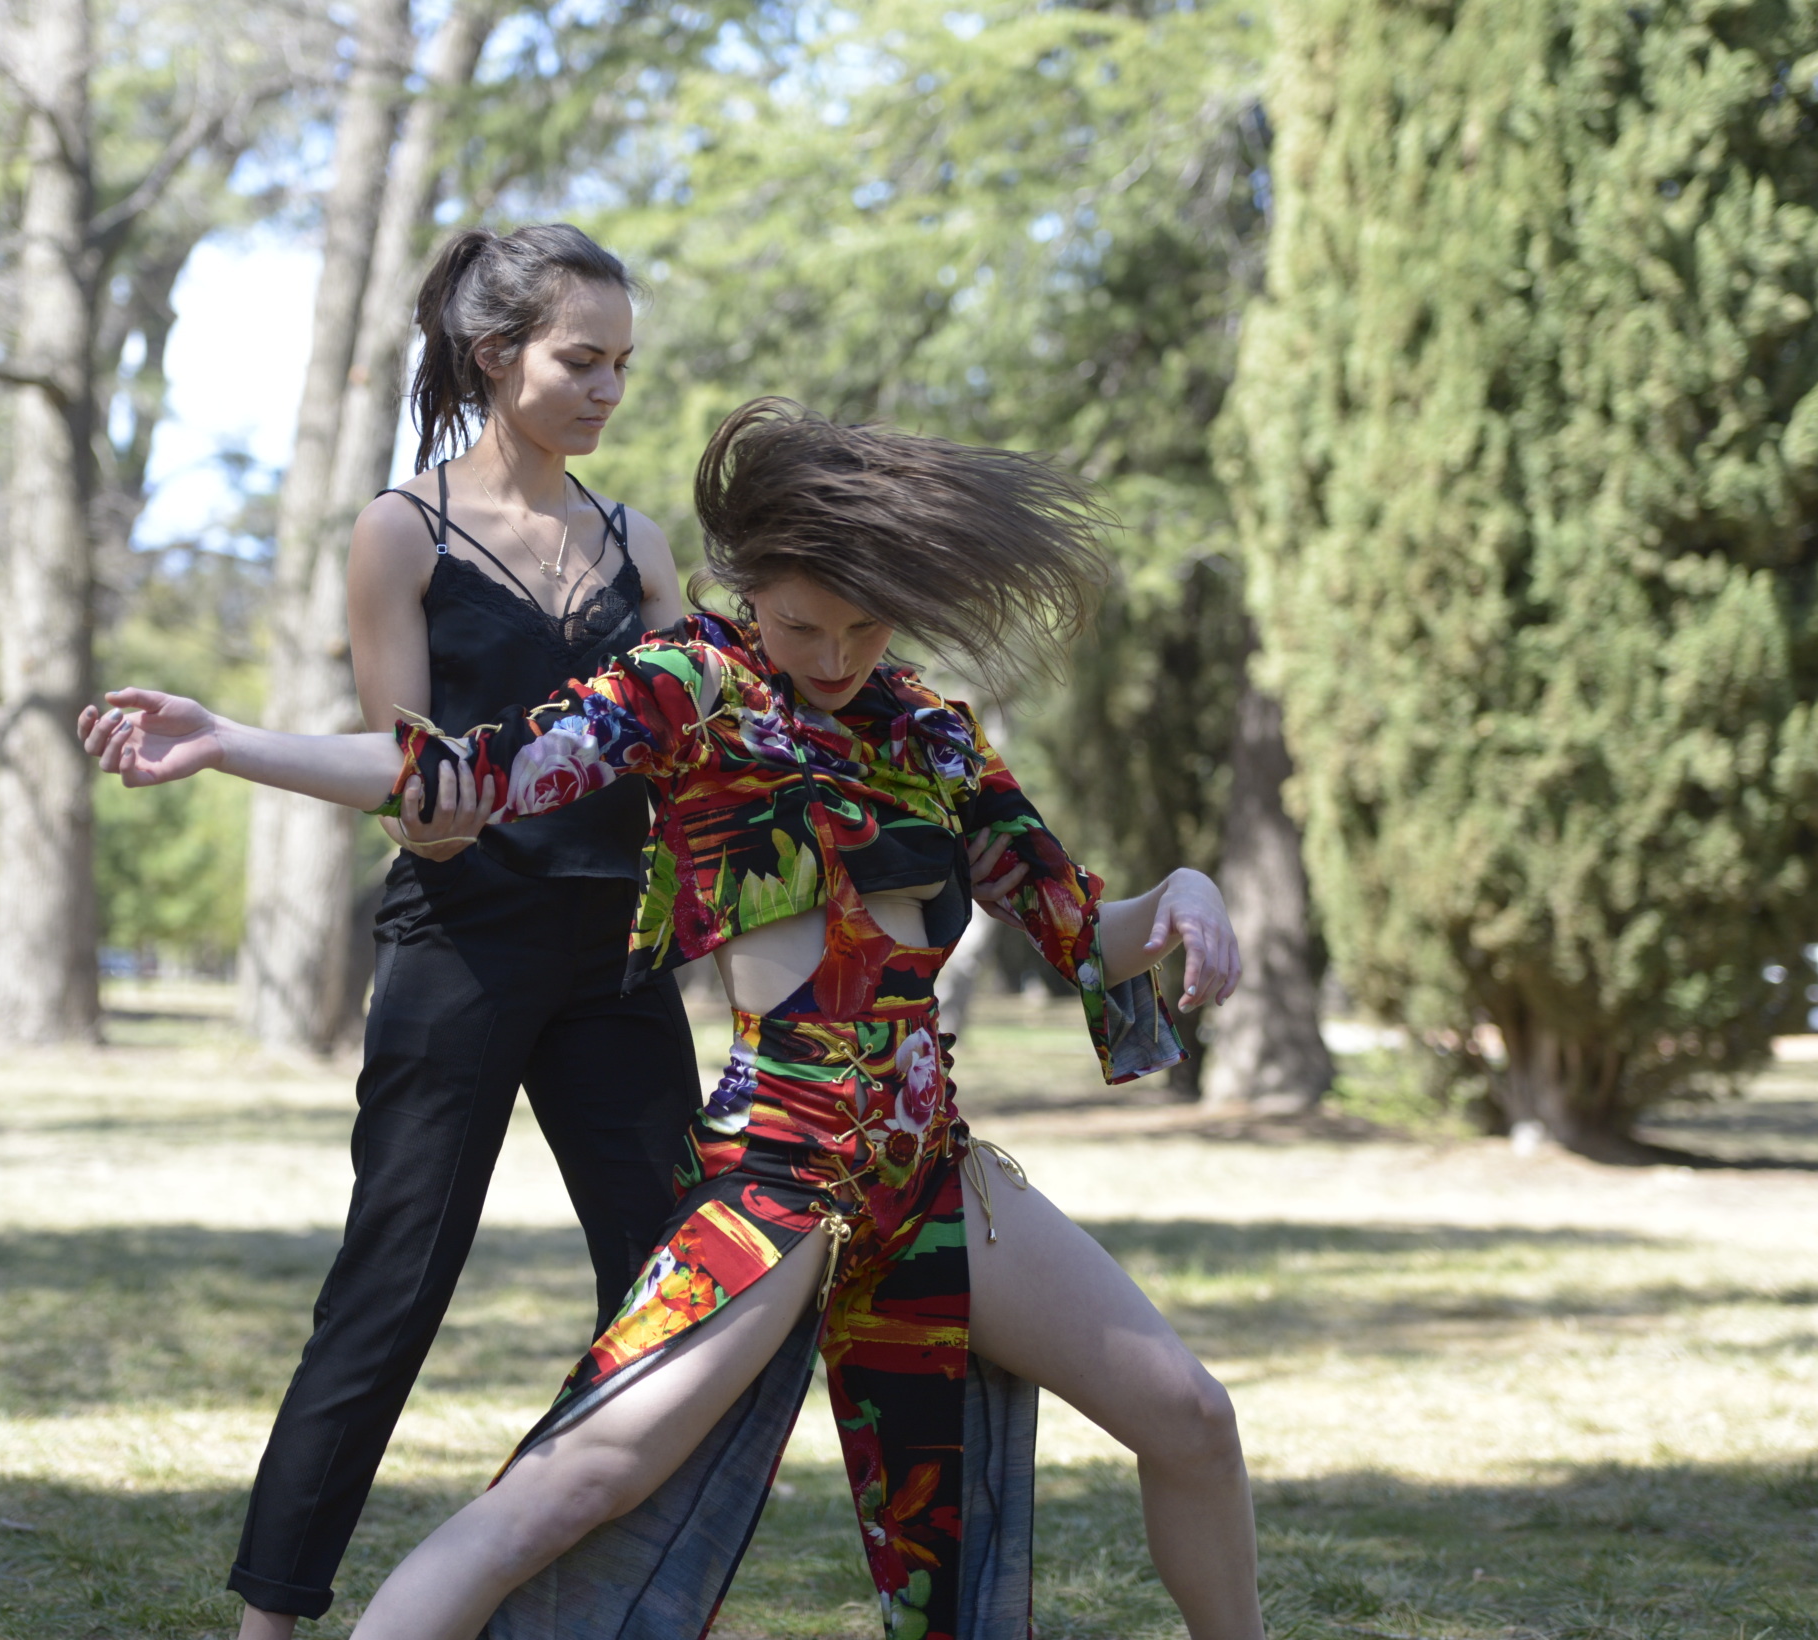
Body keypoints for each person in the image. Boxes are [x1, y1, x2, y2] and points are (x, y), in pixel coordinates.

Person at [82, 399, 1262, 1640]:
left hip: (931, 1174)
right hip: (775, 1182)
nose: (835, 653)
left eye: (864, 626)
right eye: (804, 622)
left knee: (1190, 1415)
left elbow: (1076, 920)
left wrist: (1181, 896)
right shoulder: (685, 686)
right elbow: (464, 774)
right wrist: (227, 743)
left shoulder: (925, 730)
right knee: (571, 1484)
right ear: (746, 588)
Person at [217, 224, 705, 1638]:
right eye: (581, 358)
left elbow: (695, 750)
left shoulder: (639, 544)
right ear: (499, 358)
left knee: (676, 1294)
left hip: (619, 959)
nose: (611, 387)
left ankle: (629, 1590)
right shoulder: (402, 531)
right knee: (390, 1290)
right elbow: (409, 770)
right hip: (461, 948)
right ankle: (271, 1621)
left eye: (624, 362)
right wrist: (422, 814)